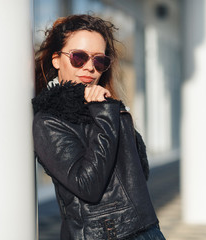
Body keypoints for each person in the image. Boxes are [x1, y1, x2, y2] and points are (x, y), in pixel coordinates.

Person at [32, 14, 166, 240]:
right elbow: (88, 186)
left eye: (99, 60)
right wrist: (105, 117)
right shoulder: (50, 120)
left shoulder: (103, 106)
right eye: (78, 57)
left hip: (147, 230)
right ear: (57, 59)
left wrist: (111, 112)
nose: (90, 68)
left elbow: (139, 174)